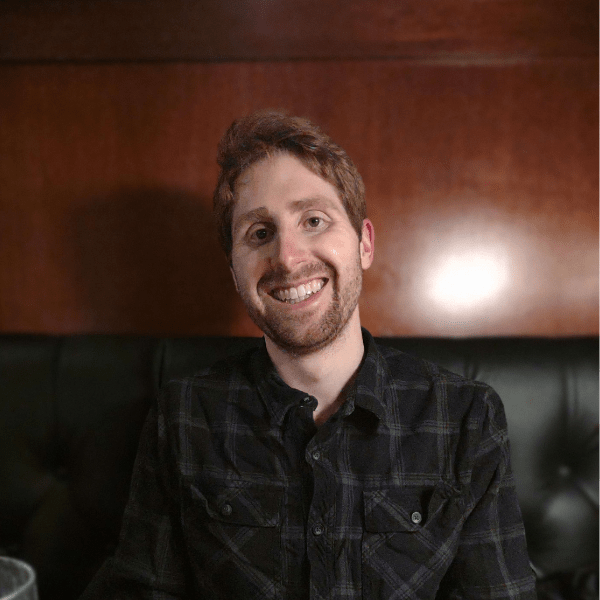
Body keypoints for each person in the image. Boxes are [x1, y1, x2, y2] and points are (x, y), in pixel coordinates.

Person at [80, 111, 536, 599]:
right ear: (234, 272)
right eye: (260, 233)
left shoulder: (466, 417)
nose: (288, 258)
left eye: (313, 221)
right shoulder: (185, 415)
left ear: (364, 244)